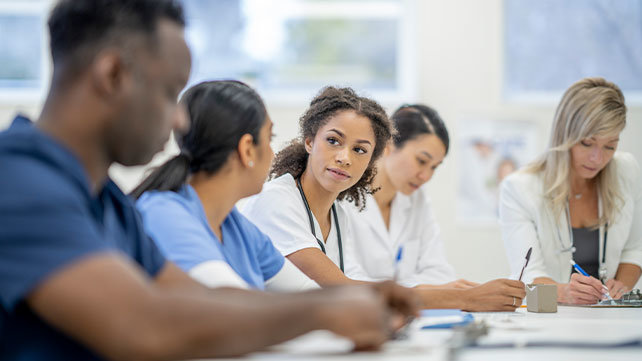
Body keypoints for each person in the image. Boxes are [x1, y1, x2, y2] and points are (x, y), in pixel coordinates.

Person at [0, 1, 418, 359]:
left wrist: (349, 298)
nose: (181, 119)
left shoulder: (108, 202)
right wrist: (323, 311)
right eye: (170, 91)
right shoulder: (17, 181)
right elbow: (145, 324)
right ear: (112, 74)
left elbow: (198, 299)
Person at [242, 90, 525, 311]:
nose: (345, 157)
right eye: (333, 141)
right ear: (309, 141)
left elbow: (360, 284)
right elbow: (342, 288)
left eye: (360, 150)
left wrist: (460, 294)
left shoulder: (337, 214)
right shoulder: (277, 201)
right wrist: (466, 298)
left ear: (373, 158)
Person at [132, 80, 318, 291]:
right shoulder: (164, 213)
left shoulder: (237, 228)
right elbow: (232, 305)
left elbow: (307, 294)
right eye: (269, 138)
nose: (272, 154)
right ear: (247, 149)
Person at [343, 104, 526, 311]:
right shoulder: (342, 199)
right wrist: (431, 292)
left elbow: (440, 273)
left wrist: (427, 292)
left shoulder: (417, 199)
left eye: (434, 167)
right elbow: (347, 282)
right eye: (421, 161)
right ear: (388, 145)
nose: (426, 176)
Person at [500, 77, 642, 305]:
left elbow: (635, 248)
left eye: (610, 146)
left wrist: (622, 285)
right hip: (550, 316)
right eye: (587, 143)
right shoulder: (519, 188)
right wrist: (565, 293)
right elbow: (526, 278)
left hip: (609, 316)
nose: (598, 158)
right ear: (564, 135)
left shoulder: (627, 171)